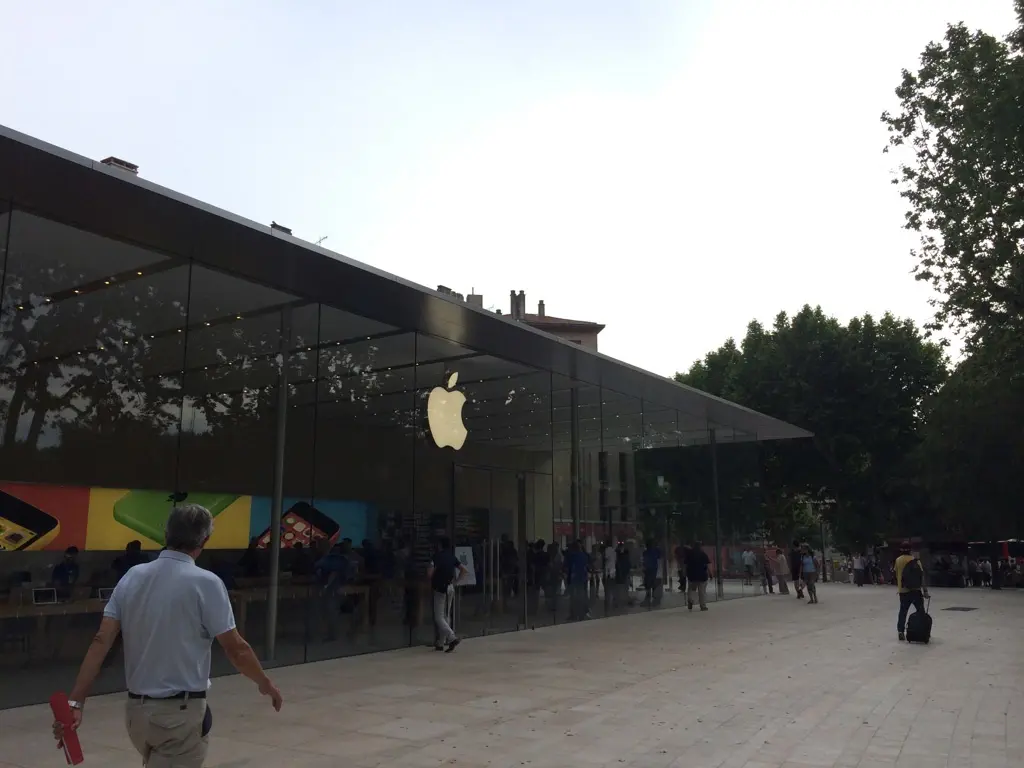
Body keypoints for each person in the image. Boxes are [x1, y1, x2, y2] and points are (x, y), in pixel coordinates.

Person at [54, 504, 282, 767]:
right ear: (205, 539)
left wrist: (76, 701)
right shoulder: (205, 583)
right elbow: (236, 649)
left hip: (137, 716)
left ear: (165, 533)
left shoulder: (132, 577)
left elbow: (101, 641)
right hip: (178, 717)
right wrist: (264, 682)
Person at [428, 537, 466, 652]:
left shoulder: (437, 557)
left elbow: (430, 574)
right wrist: (456, 582)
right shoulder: (451, 556)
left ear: (439, 545)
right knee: (446, 615)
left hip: (440, 588)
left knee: (438, 617)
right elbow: (463, 570)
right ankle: (441, 642)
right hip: (450, 587)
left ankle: (451, 637)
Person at [894, 541, 929, 641]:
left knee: (903, 611)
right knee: (920, 611)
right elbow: (921, 577)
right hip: (916, 591)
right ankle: (921, 631)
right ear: (910, 550)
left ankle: (900, 631)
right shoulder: (915, 560)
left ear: (901, 550)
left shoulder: (898, 560)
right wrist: (925, 591)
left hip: (903, 591)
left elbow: (897, 574)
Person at [684, 540, 711, 611]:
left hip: (692, 575)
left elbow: (685, 564)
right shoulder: (703, 554)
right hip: (702, 575)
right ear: (700, 546)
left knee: (691, 589)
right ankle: (702, 606)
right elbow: (707, 565)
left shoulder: (689, 554)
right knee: (702, 592)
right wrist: (710, 574)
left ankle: (690, 599)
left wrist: (685, 573)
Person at [641, 540, 661, 607]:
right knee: (652, 582)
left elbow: (644, 561)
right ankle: (654, 597)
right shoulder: (656, 551)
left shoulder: (645, 552)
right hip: (654, 569)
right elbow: (659, 556)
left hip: (648, 569)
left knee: (648, 583)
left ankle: (648, 597)